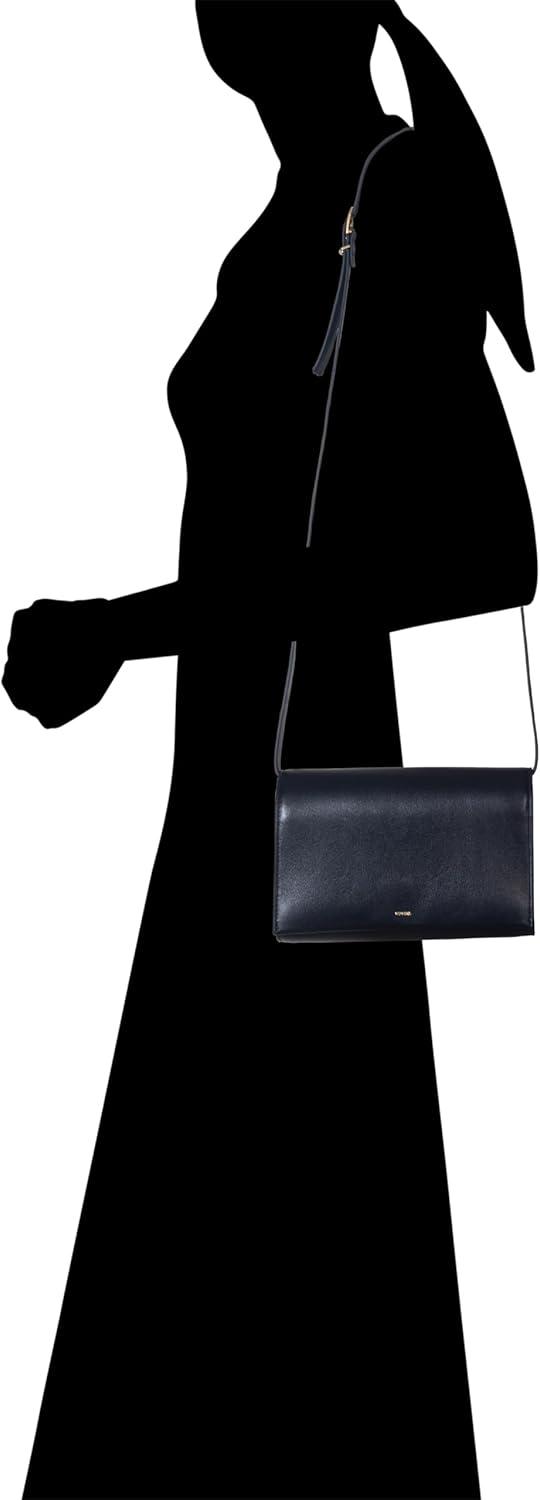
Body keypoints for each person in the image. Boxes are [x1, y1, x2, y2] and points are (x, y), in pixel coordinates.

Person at [4, 2, 535, 1495]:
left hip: (313, 793)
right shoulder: (304, 211)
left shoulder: (391, 196)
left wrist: (128, 626)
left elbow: (490, 545)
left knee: (284, 1210)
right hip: (235, 790)